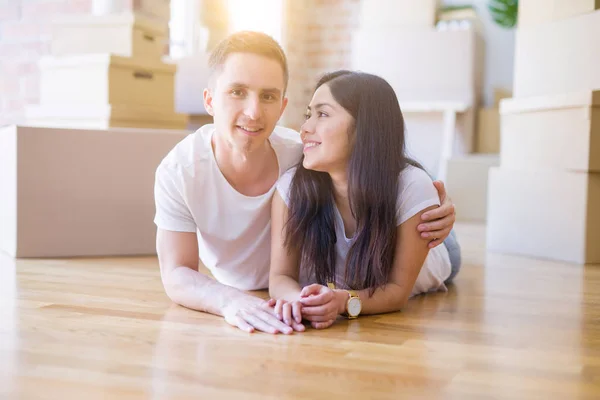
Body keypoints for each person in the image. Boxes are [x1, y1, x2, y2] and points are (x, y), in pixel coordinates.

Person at [153, 31, 457, 335]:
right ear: (209, 100)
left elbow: (383, 162)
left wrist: (436, 204)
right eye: (237, 92)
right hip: (329, 279)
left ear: (282, 106)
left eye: (268, 96)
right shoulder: (181, 171)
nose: (254, 112)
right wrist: (235, 301)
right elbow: (177, 271)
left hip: (417, 253)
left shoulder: (306, 152)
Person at [269, 70, 462, 329]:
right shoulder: (292, 188)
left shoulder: (411, 187)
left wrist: (343, 303)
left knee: (429, 207)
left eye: (322, 114)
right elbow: (280, 276)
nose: (304, 128)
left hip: (435, 251)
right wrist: (298, 302)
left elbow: (396, 292)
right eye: (308, 115)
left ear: (365, 127)